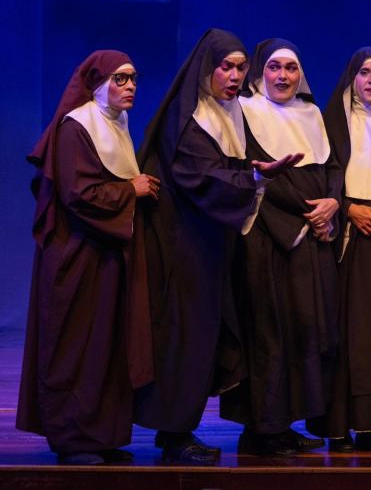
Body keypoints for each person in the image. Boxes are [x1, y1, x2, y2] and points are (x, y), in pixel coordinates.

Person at [134, 29, 302, 464]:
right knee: (183, 337)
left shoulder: (226, 113)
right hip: (182, 245)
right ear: (206, 69)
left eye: (240, 68)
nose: (234, 76)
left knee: (204, 336)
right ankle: (174, 435)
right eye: (225, 67)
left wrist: (253, 174)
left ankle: (178, 429)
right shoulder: (188, 117)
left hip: (211, 243)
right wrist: (255, 177)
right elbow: (200, 177)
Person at [17, 50, 158, 465]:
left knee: (106, 347)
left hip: (106, 255)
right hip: (76, 258)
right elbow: (78, 196)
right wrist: (130, 190)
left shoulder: (116, 124)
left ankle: (103, 435)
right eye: (120, 79)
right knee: (76, 347)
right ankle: (72, 439)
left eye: (133, 78)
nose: (130, 86)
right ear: (98, 84)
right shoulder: (76, 127)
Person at [219, 38, 340, 456]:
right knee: (268, 332)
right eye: (274, 68)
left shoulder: (313, 114)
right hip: (269, 239)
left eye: (290, 68)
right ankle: (262, 429)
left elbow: (333, 167)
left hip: (310, 239)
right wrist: (309, 214)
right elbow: (257, 174)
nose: (283, 76)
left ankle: (283, 424)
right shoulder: (245, 112)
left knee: (302, 333)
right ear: (260, 73)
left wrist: (333, 203)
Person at [305, 47, 371, 453]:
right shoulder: (331, 122)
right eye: (364, 72)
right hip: (346, 238)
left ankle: (370, 426)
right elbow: (321, 177)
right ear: (352, 78)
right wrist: (350, 208)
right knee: (344, 332)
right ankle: (336, 426)